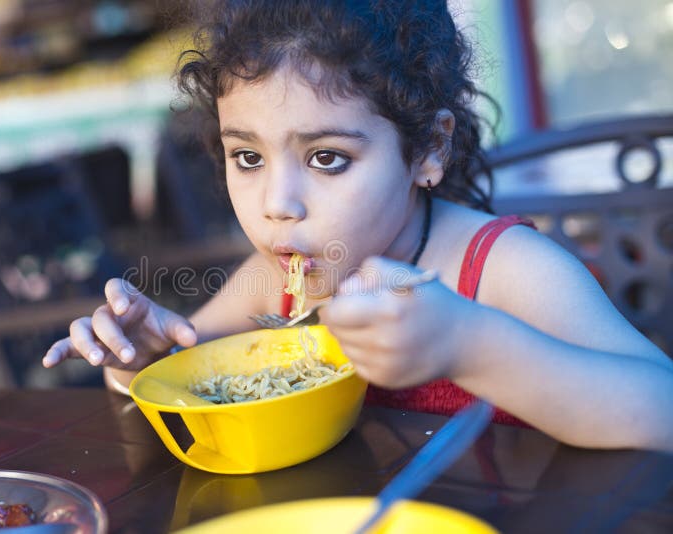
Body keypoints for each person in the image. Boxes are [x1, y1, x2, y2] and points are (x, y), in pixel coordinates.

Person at [43, 0, 673, 450]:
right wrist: (140, 359)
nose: (277, 203)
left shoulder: (503, 270)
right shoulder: (276, 281)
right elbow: (189, 373)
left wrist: (471, 344)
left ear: (427, 150)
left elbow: (662, 410)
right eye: (249, 158)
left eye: (327, 158)